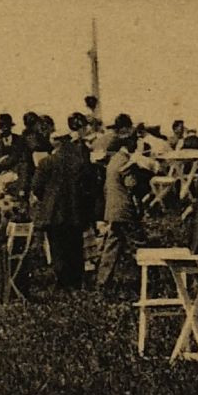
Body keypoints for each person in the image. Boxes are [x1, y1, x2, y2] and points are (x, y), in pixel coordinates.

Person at [34, 114, 94, 289]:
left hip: (53, 212)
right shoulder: (79, 161)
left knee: (58, 248)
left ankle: (62, 282)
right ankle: (76, 281)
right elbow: (88, 185)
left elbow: (37, 187)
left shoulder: (46, 162)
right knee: (75, 246)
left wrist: (47, 200)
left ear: (55, 143)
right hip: (75, 211)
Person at [94, 134, 142, 290]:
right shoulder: (125, 162)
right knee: (140, 245)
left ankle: (102, 282)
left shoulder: (113, 161)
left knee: (112, 246)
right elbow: (132, 185)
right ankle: (152, 279)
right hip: (125, 210)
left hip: (113, 210)